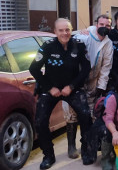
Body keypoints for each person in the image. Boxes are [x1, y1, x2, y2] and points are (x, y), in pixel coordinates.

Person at [29, 18, 92, 169]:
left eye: (67, 30)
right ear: (55, 32)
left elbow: (85, 69)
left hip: (72, 88)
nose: (65, 33)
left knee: (85, 116)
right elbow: (34, 69)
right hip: (51, 90)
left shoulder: (79, 45)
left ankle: (86, 150)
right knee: (40, 121)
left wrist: (71, 86)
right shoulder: (48, 47)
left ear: (71, 30)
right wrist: (50, 88)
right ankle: (48, 155)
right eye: (61, 30)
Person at [62, 14, 113, 159]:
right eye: (102, 24)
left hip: (93, 83)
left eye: (108, 25)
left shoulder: (108, 43)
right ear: (96, 25)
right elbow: (67, 44)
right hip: (74, 82)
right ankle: (71, 146)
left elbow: (106, 67)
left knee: (91, 115)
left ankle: (88, 143)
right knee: (71, 114)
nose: (104, 27)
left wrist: (101, 87)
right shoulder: (84, 36)